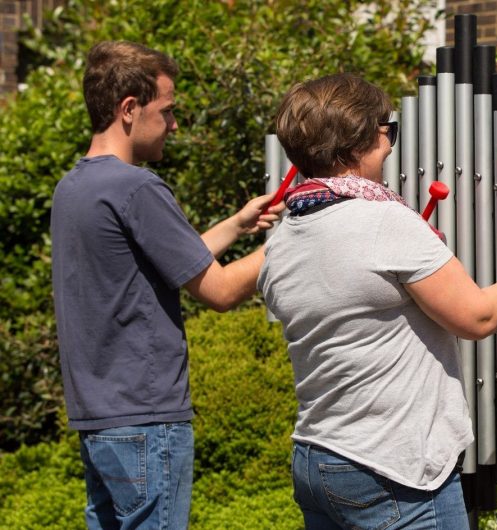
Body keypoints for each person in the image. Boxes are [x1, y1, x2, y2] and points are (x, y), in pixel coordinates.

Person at [258, 73, 497, 529]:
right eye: (388, 130)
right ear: (358, 141)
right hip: (392, 469)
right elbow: (478, 316)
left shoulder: (284, 238)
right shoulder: (385, 223)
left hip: (316, 457)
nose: (391, 142)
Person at [50, 41, 283, 530]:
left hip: (100, 420)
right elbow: (218, 292)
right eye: (168, 110)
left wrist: (238, 225)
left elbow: (162, 260)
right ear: (129, 109)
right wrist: (295, 241)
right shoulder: (137, 187)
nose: (175, 125)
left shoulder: (74, 188)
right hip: (146, 419)